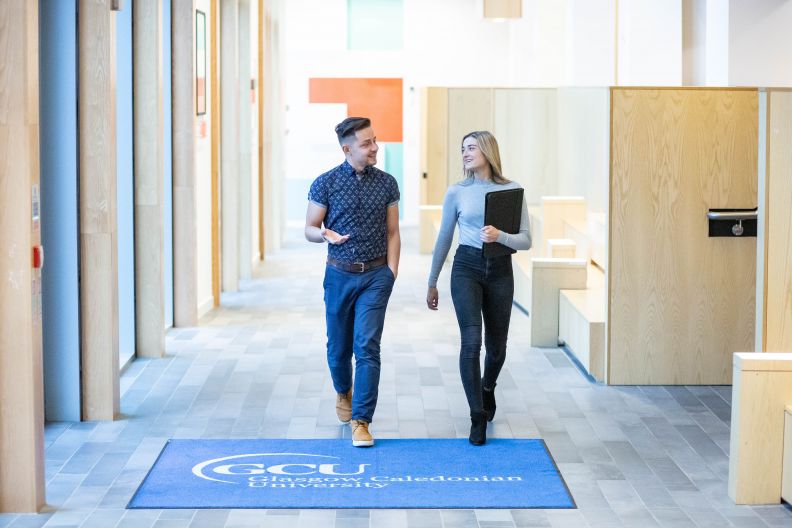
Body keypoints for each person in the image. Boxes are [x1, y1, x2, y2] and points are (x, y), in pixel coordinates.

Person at [426, 130, 531, 446]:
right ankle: (477, 416)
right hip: (466, 268)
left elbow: (526, 240)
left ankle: (487, 388)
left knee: (497, 345)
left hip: (500, 269)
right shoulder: (456, 192)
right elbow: (445, 237)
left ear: (488, 151)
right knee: (471, 342)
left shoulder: (512, 190)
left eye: (471, 148)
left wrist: (500, 236)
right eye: (462, 149)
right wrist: (431, 282)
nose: (465, 153)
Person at [305, 117, 401, 448]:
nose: (375, 148)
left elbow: (393, 232)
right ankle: (342, 389)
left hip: (376, 276)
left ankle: (362, 420)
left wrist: (391, 272)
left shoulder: (387, 183)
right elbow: (309, 227)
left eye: (375, 140)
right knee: (337, 349)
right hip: (338, 275)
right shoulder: (325, 183)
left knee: (367, 347)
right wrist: (323, 234)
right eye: (366, 144)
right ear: (347, 149)